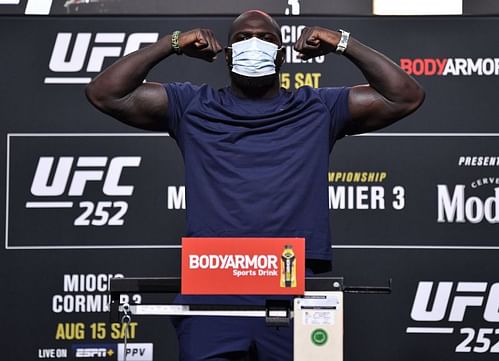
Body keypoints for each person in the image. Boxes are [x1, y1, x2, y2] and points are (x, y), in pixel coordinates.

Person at [86, 10, 424, 361]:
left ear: (281, 55)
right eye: (242, 39)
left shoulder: (317, 108)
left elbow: (405, 96)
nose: (254, 45)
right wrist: (172, 44)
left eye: (266, 39)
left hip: (291, 283)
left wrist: (342, 42)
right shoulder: (193, 106)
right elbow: (106, 93)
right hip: (211, 284)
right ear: (227, 54)